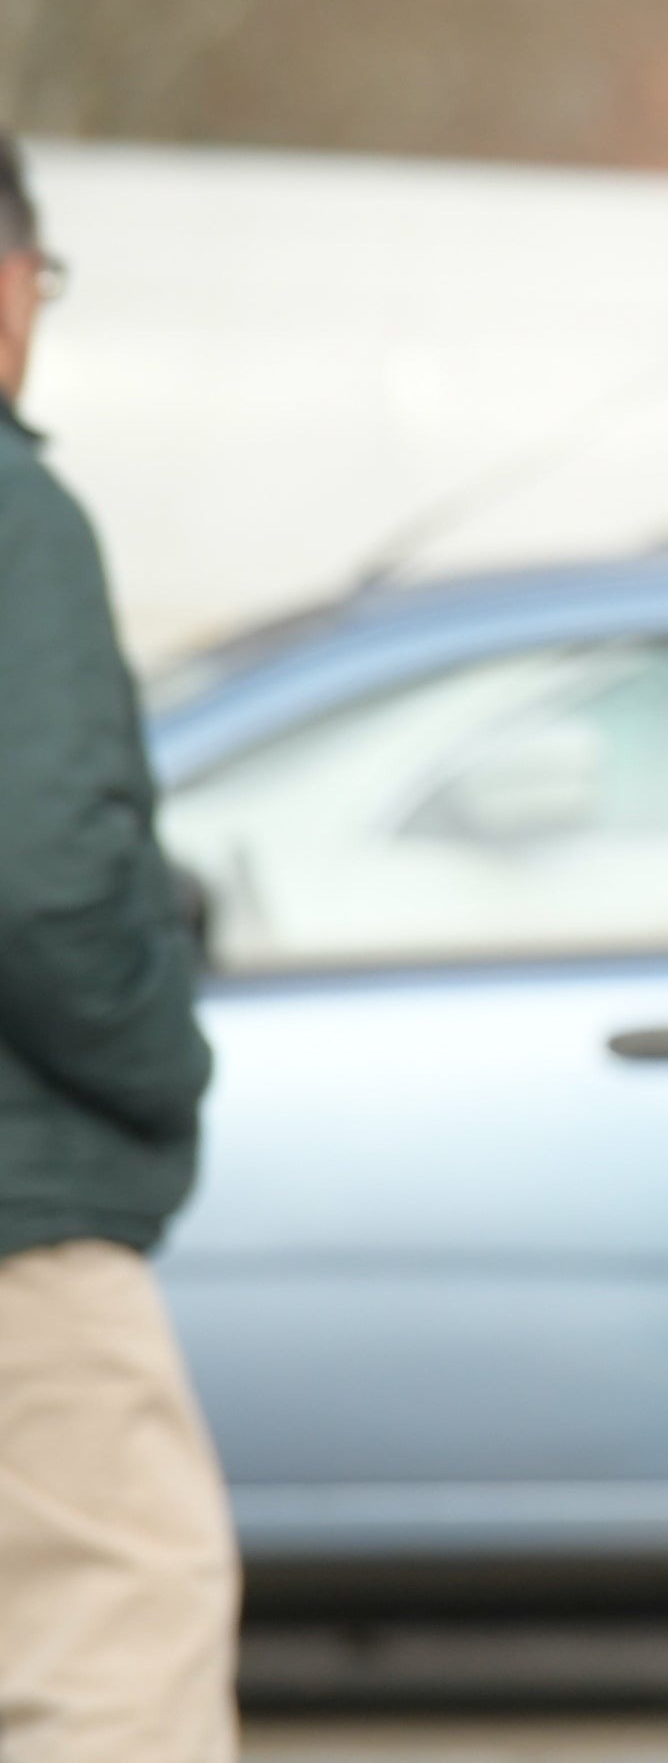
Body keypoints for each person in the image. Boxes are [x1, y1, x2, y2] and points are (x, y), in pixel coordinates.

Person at [0, 136, 237, 1763]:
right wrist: (168, 1067)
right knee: (114, 1626)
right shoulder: (13, 513)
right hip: (17, 1208)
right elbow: (40, 875)